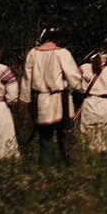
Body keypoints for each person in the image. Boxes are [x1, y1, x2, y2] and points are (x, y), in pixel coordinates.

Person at [24, 20, 83, 168]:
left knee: (45, 139)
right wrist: (80, 86)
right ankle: (71, 167)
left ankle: (46, 171)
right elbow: (74, 78)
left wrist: (25, 100)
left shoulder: (33, 54)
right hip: (61, 101)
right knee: (66, 136)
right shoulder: (62, 53)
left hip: (41, 101)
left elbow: (26, 80)